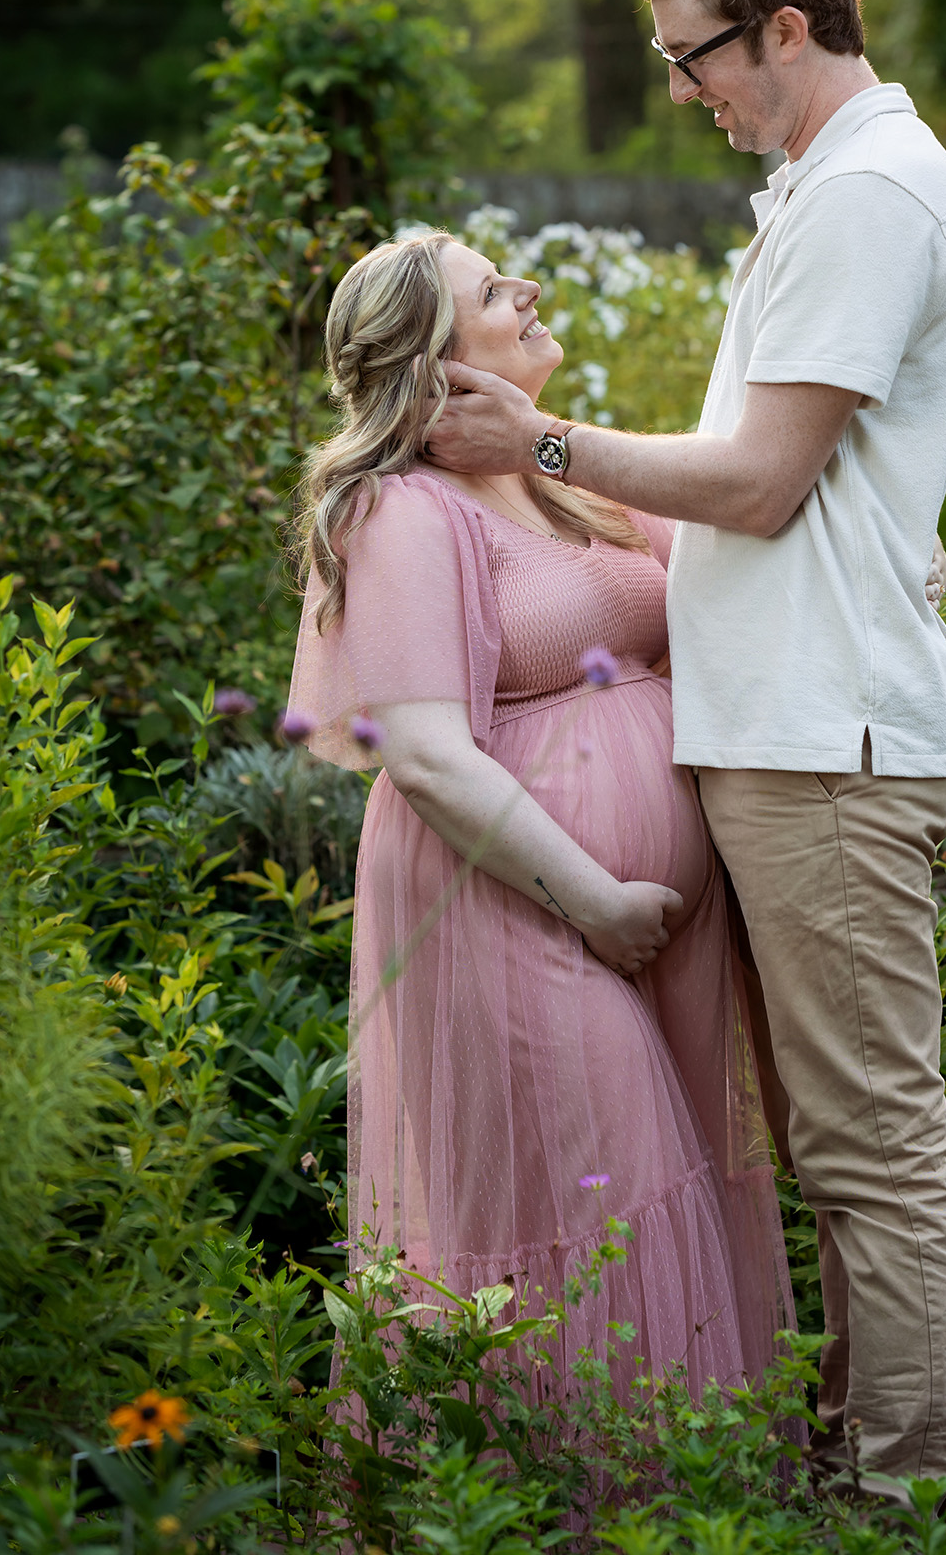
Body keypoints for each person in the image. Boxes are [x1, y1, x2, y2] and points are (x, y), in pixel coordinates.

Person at [424, 0, 946, 1482]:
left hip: (831, 742)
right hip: (790, 729)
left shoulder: (873, 190)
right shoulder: (822, 182)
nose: (683, 93)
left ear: (786, 28)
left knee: (871, 1149)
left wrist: (531, 438)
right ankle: (846, 1465)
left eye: (696, 58)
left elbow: (760, 482)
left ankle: (899, 1498)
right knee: (829, 1143)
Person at [284, 230, 794, 1406]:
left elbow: (740, 550)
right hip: (518, 909)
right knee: (608, 1209)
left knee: (676, 1193)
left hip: (651, 925)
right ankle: (586, 1516)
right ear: (434, 360)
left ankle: (696, 1514)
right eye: (493, 292)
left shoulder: (564, 474)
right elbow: (421, 751)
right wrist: (596, 897)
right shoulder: (405, 510)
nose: (528, 293)